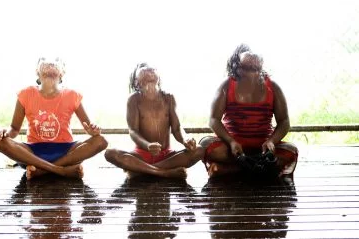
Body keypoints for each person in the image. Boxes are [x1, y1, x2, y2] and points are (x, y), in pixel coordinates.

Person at [0, 57, 108, 180]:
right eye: (44, 63)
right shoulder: (26, 94)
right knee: (0, 144)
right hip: (33, 151)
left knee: (101, 141)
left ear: (62, 73)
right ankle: (61, 170)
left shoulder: (72, 95)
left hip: (67, 151)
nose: (50, 65)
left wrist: (93, 132)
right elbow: (14, 129)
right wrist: (4, 134)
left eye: (55, 64)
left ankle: (41, 171)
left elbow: (89, 128)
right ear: (37, 72)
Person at [200, 44, 298, 178]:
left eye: (255, 69)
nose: (252, 73)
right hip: (233, 148)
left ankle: (232, 169)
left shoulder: (273, 87)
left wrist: (271, 141)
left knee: (291, 151)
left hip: (264, 146)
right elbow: (213, 120)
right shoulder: (227, 85)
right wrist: (231, 142)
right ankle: (262, 170)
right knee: (205, 145)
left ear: (261, 67)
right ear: (237, 67)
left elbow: (284, 121)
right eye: (247, 68)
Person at [104, 63, 204, 178]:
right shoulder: (134, 99)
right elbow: (133, 131)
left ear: (159, 78)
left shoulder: (168, 97)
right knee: (110, 153)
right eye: (144, 71)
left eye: (152, 70)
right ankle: (163, 173)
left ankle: (141, 170)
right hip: (141, 155)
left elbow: (177, 128)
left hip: (167, 156)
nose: (149, 72)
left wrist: (185, 139)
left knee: (199, 150)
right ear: (137, 82)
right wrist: (147, 145)